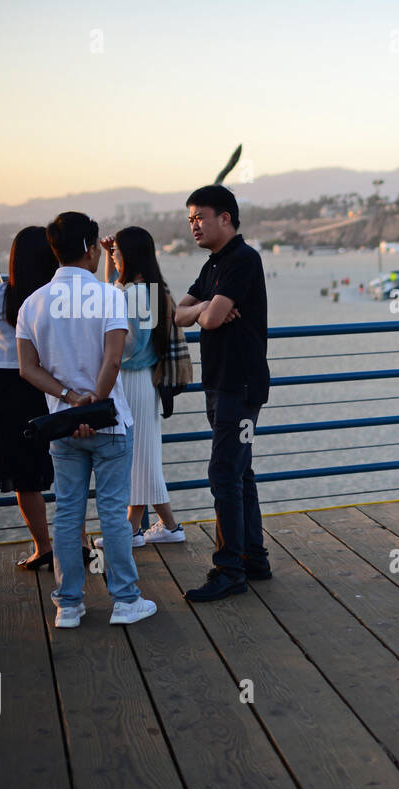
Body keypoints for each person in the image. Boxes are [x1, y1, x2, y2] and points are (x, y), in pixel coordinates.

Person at [16, 211, 156, 629]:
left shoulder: (33, 302)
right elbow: (114, 358)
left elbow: (28, 367)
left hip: (61, 425)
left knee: (69, 514)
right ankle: (126, 601)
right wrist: (94, 400)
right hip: (109, 422)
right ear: (90, 248)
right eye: (97, 247)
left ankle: (69, 605)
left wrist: (70, 399)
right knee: (113, 514)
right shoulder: (108, 296)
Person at [175, 185, 271, 601]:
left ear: (226, 218)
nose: (194, 225)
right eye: (191, 219)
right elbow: (178, 315)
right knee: (239, 471)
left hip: (240, 386)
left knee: (223, 474)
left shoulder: (242, 260)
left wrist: (205, 311)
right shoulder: (214, 265)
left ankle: (229, 569)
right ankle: (253, 558)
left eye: (200, 217)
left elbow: (211, 320)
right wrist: (205, 308)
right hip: (220, 383)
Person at [91, 226, 185, 550]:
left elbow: (129, 346)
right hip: (141, 381)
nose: (114, 257)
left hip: (132, 378)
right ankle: (158, 527)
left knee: (140, 457)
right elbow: (112, 290)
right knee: (143, 456)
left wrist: (105, 347)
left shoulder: (136, 294)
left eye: (117, 253)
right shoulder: (144, 289)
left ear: (128, 255)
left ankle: (142, 529)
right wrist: (107, 255)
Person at [0, 227, 58, 569]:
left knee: (24, 476)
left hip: (8, 391)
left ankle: (44, 548)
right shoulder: (54, 297)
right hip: (49, 385)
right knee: (68, 468)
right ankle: (77, 543)